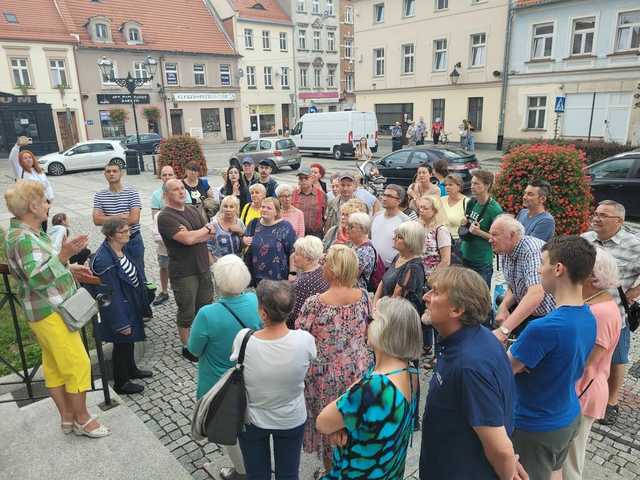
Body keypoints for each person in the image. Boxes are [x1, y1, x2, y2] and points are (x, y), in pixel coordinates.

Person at [4, 180, 110, 438]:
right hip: (50, 312)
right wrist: (64, 256)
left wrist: (69, 266)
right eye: (44, 201)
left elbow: (39, 267)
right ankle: (83, 419)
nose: (48, 206)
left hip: (41, 312)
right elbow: (37, 276)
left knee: (53, 366)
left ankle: (67, 418)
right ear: (33, 205)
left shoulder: (25, 233)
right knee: (77, 364)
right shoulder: (25, 238)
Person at [509, 236, 597, 480]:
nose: (539, 269)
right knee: (554, 473)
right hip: (567, 414)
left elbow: (506, 369)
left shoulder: (543, 328)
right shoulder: (589, 316)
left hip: (535, 425)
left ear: (558, 269)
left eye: (543, 263)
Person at [419, 267, 520, 479]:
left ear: (457, 309)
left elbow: (499, 447)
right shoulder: (477, 338)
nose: (425, 297)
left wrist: (507, 467)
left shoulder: (469, 366)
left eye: (435, 292)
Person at [316, 297, 422, 479]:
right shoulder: (410, 372)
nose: (367, 325)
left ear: (385, 331)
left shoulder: (374, 387)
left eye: (371, 320)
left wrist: (339, 427)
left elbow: (323, 423)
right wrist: (343, 426)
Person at [296, 245, 373, 475]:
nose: (322, 266)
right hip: (358, 372)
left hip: (324, 377)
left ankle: (332, 472)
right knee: (353, 425)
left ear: (334, 270)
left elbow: (302, 337)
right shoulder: (363, 297)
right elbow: (370, 330)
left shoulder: (315, 303)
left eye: (326, 262)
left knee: (330, 429)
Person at [231, 280, 316, 480]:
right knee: (288, 474)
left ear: (263, 313)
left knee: (256, 473)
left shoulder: (243, 339)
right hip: (291, 417)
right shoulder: (304, 340)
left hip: (252, 418)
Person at [188, 255, 262, 480]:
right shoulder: (254, 301)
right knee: (250, 425)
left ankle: (241, 471)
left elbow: (194, 349)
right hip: (252, 375)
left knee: (228, 429)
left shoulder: (207, 314)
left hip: (218, 383)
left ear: (217, 281)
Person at [563, 248, 621, 480]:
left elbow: (587, 361)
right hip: (582, 388)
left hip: (583, 390)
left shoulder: (601, 311)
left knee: (570, 460)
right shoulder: (593, 304)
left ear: (592, 278)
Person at [581, 200, 640, 426]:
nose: (597, 218)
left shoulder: (634, 245)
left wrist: (633, 292)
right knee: (585, 355)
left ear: (619, 221)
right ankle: (583, 391)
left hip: (615, 316)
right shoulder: (585, 239)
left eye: (604, 215)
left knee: (617, 359)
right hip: (584, 311)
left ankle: (612, 402)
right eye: (596, 213)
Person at [91, 218, 153, 395]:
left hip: (129, 303)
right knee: (121, 344)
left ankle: (131, 369)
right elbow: (110, 295)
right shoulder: (104, 260)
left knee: (129, 341)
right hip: (120, 308)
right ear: (111, 235)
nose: (128, 234)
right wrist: (121, 323)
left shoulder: (120, 249)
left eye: (128, 230)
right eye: (123, 231)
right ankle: (121, 382)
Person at [157, 179, 215, 362]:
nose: (181, 192)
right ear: (166, 195)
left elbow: (210, 233)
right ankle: (187, 347)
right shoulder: (165, 216)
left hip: (202, 266)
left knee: (204, 307)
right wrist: (200, 232)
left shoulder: (191, 209)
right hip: (184, 272)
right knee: (187, 311)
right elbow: (188, 240)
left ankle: (201, 340)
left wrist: (196, 233)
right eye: (176, 189)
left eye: (182, 188)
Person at [490, 214, 555, 342]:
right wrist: (503, 307)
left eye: (495, 235)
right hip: (529, 314)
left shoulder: (532, 251)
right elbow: (514, 286)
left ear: (512, 235)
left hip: (547, 318)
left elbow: (536, 293)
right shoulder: (505, 250)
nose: (490, 239)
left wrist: (504, 330)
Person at [373, 221, 426, 364]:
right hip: (385, 311)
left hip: (398, 320)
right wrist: (375, 303)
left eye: (399, 237)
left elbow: (397, 295)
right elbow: (383, 281)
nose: (394, 238)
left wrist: (379, 311)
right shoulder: (399, 257)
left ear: (410, 241)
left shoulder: (413, 267)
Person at [93, 162, 144, 269]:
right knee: (117, 272)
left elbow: (134, 219)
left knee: (138, 271)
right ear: (105, 174)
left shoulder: (132, 192)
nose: (111, 174)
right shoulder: (100, 195)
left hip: (132, 239)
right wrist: (120, 217)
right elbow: (96, 220)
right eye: (108, 171)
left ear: (121, 174)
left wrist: (108, 219)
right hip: (112, 242)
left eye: (115, 171)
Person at [460, 169, 502, 289]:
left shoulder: (494, 209)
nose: (472, 186)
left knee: (480, 295)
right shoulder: (472, 202)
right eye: (472, 183)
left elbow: (497, 238)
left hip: (482, 261)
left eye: (476, 183)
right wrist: (464, 223)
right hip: (465, 254)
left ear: (487, 186)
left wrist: (479, 232)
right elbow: (467, 223)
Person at [243, 197, 297, 285]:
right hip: (255, 277)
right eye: (263, 207)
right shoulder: (253, 224)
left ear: (276, 212)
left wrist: (293, 273)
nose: (264, 210)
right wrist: (244, 242)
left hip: (278, 278)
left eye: (269, 208)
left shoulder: (285, 227)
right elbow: (245, 246)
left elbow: (292, 251)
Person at [150, 165, 179, 306]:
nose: (167, 177)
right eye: (164, 175)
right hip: (163, 239)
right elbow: (155, 218)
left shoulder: (179, 190)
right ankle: (164, 291)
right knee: (163, 265)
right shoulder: (156, 195)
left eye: (170, 174)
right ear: (160, 177)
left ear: (174, 175)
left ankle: (179, 289)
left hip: (179, 236)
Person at [289, 236, 329, 326]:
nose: (293, 256)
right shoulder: (322, 270)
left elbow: (295, 314)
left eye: (297, 254)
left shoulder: (303, 282)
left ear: (308, 259)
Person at [11, 147, 54, 231]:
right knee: (34, 224)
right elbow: (12, 158)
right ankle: (35, 241)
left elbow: (47, 185)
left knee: (44, 223)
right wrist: (17, 145)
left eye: (30, 157)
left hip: (44, 202)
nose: (28, 159)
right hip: (32, 204)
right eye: (25, 158)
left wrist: (50, 199)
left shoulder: (38, 170)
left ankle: (43, 240)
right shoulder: (20, 172)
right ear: (20, 161)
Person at [371, 184, 410, 267]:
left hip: (391, 269)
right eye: (384, 195)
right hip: (373, 267)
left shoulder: (405, 221)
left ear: (399, 201)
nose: (384, 198)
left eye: (389, 196)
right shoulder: (376, 216)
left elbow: (408, 249)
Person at [417, 196, 451, 283]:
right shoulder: (418, 226)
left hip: (433, 279)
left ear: (434, 211)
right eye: (420, 207)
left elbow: (446, 260)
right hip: (418, 276)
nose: (421, 210)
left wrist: (432, 278)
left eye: (425, 208)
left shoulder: (441, 230)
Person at [441, 174, 468, 262]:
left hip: (457, 244)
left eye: (451, 185)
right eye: (446, 185)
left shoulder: (467, 202)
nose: (447, 187)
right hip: (441, 241)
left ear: (459, 186)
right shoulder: (441, 200)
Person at [208, 195, 245, 262]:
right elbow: (208, 248)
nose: (228, 209)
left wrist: (241, 232)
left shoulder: (240, 222)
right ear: (222, 208)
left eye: (231, 207)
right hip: (220, 266)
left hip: (237, 264)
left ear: (236, 208)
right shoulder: (214, 224)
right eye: (225, 206)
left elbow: (246, 243)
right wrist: (213, 265)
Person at [292, 167, 326, 238]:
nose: (303, 181)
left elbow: (325, 216)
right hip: (297, 234)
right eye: (301, 178)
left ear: (312, 178)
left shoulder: (321, 195)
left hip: (316, 235)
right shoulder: (293, 195)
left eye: (306, 178)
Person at [347, 212, 376, 290]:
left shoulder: (365, 251)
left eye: (351, 227)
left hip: (356, 292)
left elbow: (350, 276)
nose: (347, 229)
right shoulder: (356, 245)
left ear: (362, 229)